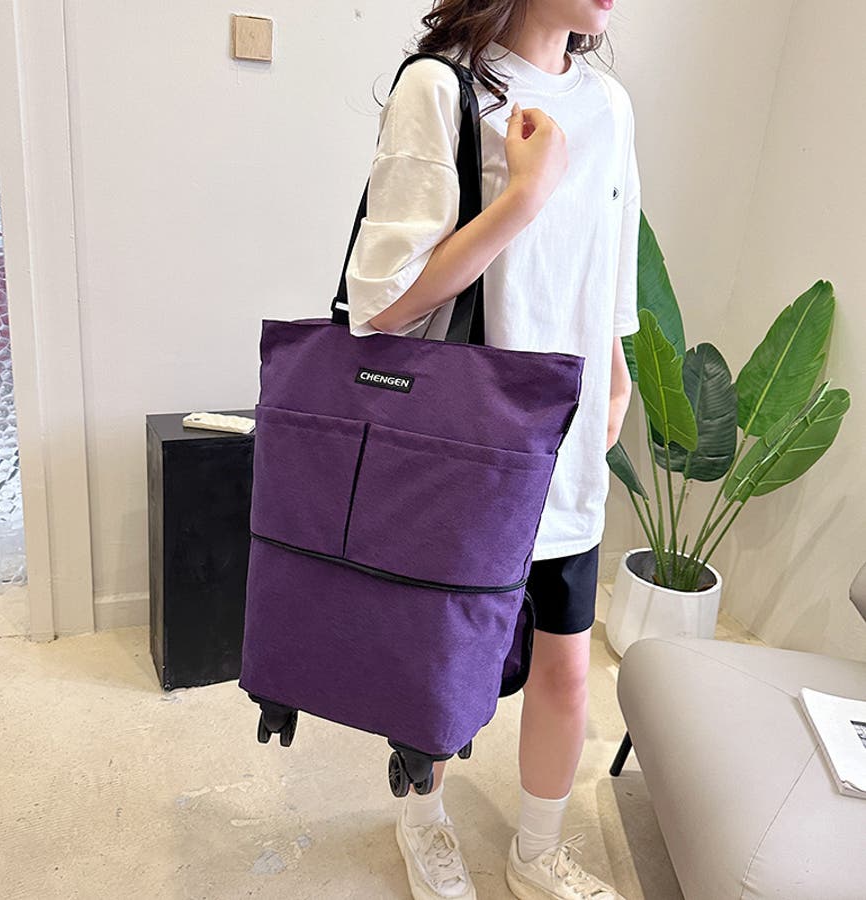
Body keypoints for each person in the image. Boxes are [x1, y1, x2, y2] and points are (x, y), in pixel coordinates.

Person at [345, 2, 639, 898]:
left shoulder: (609, 105)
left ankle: (536, 852)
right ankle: (422, 821)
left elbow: (611, 254)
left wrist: (616, 374)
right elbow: (382, 303)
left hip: (566, 431)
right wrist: (523, 197)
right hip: (466, 442)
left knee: (567, 664)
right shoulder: (444, 88)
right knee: (442, 660)